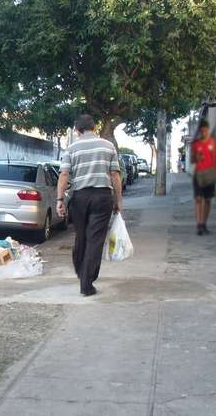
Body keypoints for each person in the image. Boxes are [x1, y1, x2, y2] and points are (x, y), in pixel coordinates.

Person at [56, 114, 123, 296]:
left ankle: (81, 272)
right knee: (95, 240)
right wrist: (118, 201)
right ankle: (86, 282)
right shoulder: (108, 146)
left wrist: (60, 200)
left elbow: (63, 175)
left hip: (80, 197)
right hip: (102, 196)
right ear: (94, 128)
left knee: (81, 237)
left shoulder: (71, 148)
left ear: (77, 130)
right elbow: (115, 175)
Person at [191, 120, 216, 235]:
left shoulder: (214, 143)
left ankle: (204, 223)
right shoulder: (196, 144)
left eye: (205, 130)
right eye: (202, 131)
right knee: (198, 199)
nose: (204, 133)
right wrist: (197, 157)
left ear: (208, 130)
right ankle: (199, 224)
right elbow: (192, 160)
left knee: (207, 200)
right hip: (198, 175)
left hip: (210, 175)